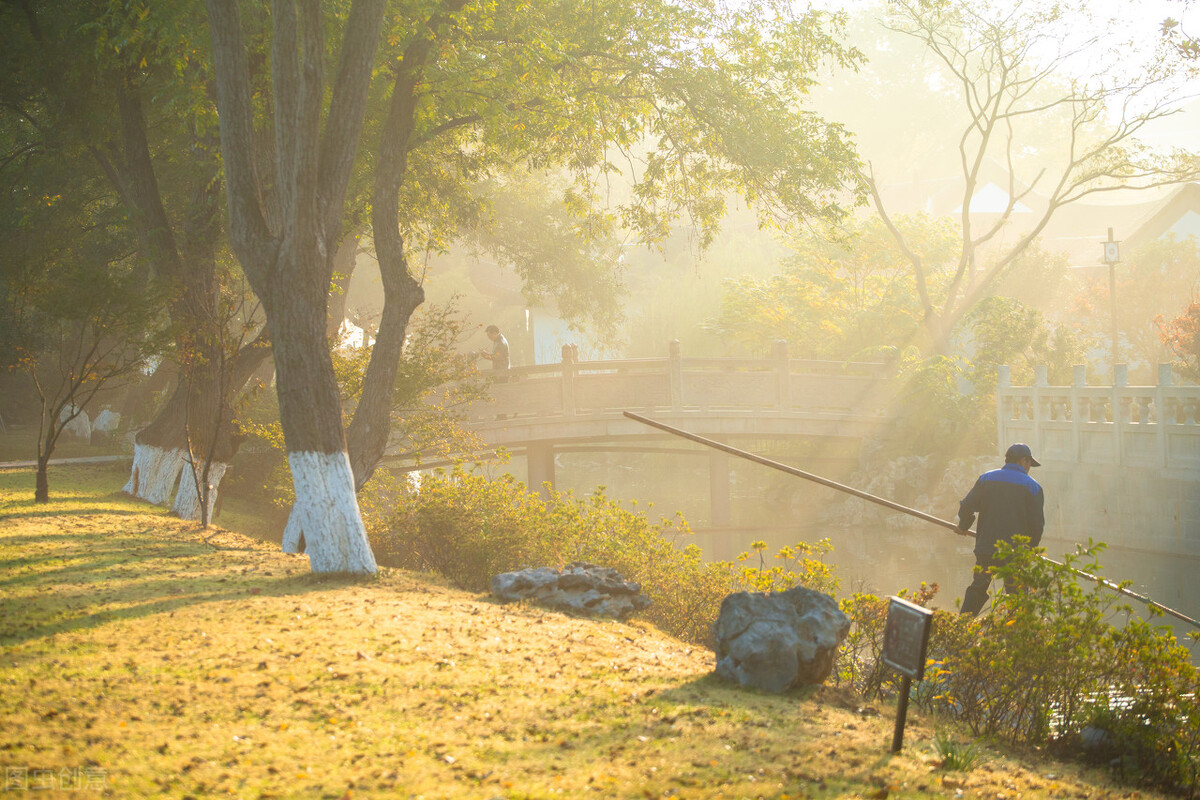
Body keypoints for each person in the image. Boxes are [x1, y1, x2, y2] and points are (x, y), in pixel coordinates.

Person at [956, 443, 1045, 616]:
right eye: (1029, 463)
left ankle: (962, 628)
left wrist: (963, 526)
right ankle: (1015, 636)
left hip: (986, 549)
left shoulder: (986, 479)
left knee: (978, 587)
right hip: (1015, 553)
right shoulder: (1033, 487)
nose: (1029, 468)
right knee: (1017, 596)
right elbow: (1037, 526)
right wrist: (1030, 551)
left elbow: (966, 506)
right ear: (1023, 460)